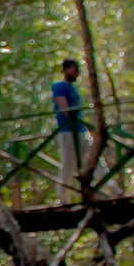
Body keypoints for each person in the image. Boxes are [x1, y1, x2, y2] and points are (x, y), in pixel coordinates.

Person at [51, 58, 92, 203]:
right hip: (67, 131)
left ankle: (114, 190)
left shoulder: (74, 88)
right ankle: (64, 199)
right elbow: (65, 109)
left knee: (93, 158)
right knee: (68, 164)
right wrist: (71, 115)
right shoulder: (58, 87)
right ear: (67, 70)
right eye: (75, 70)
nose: (77, 74)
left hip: (81, 130)